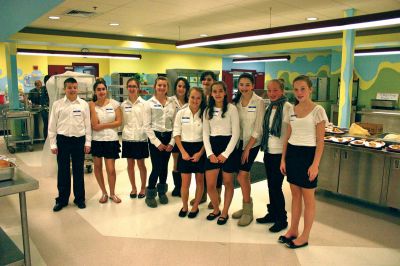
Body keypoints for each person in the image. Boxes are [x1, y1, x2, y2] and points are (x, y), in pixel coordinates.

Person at [279, 75, 328, 249]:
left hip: (308, 156)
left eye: (303, 89)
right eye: (296, 89)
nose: (299, 92)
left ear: (310, 90)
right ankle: (293, 230)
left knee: (308, 199)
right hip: (292, 154)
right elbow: (288, 135)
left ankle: (305, 236)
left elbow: (320, 141)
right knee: (295, 195)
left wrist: (315, 165)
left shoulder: (318, 110)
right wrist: (283, 159)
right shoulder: (291, 109)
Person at [48, 77, 91, 212]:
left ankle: (80, 199)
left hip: (79, 140)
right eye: (69, 87)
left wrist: (88, 142)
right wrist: (53, 144)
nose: (72, 90)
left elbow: (87, 125)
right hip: (63, 141)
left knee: (79, 171)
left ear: (77, 89)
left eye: (74, 87)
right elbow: (52, 126)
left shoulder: (84, 104)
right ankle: (62, 200)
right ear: (64, 89)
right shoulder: (58, 105)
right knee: (63, 171)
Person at [257, 79, 292, 233]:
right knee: (271, 185)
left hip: (280, 154)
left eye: (275, 90)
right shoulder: (270, 106)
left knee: (276, 187)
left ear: (282, 90)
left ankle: (282, 219)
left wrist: (284, 159)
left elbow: (288, 135)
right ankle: (272, 213)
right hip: (269, 152)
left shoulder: (287, 107)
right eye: (269, 90)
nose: (272, 93)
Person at [203, 81, 239, 225]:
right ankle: (216, 209)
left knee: (228, 182)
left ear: (225, 92)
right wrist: (209, 153)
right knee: (210, 185)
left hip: (228, 147)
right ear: (211, 94)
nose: (217, 94)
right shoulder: (207, 111)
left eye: (220, 91)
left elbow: (236, 134)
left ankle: (225, 212)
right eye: (214, 91)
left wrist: (225, 154)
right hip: (212, 147)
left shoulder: (231, 109)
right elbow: (205, 133)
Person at [231, 73, 265, 226]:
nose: (244, 88)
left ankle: (248, 211)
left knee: (242, 176)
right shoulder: (235, 102)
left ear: (252, 85)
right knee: (242, 175)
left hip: (252, 144)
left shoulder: (259, 102)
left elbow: (258, 128)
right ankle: (245, 206)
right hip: (238, 143)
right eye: (241, 84)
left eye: (247, 85)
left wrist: (247, 149)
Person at [173, 87, 207, 218]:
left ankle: (195, 206)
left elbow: (207, 136)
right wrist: (183, 152)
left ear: (202, 99)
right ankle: (185, 206)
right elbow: (176, 134)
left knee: (199, 181)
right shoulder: (181, 113)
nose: (195, 100)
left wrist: (200, 153)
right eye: (193, 97)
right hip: (184, 149)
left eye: (198, 98)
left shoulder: (205, 114)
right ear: (188, 97)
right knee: (185, 183)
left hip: (200, 149)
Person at [144, 76, 176, 208]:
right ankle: (150, 194)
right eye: (159, 85)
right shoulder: (149, 103)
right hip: (155, 138)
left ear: (167, 88)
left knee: (164, 167)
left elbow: (175, 125)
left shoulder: (172, 103)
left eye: (164, 85)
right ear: (155, 87)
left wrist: (172, 142)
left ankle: (162, 192)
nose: (162, 88)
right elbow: (147, 126)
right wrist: (157, 143)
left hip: (168, 137)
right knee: (156, 167)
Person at [89, 79, 122, 204]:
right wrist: (92, 108)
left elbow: (119, 122)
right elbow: (93, 124)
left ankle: (112, 193)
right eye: (99, 89)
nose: (101, 91)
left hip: (111, 140)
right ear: (95, 91)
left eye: (103, 89)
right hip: (97, 140)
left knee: (111, 169)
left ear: (106, 90)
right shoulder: (92, 105)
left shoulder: (114, 104)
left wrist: (102, 125)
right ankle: (104, 192)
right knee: (97, 167)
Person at [121, 78, 148, 199]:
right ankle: (133, 188)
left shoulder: (144, 104)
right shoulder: (123, 105)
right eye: (130, 86)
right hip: (127, 138)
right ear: (127, 88)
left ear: (138, 88)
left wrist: (143, 132)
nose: (132, 89)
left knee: (141, 164)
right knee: (130, 164)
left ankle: (143, 187)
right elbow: (122, 122)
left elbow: (147, 122)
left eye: (134, 86)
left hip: (140, 138)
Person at [171, 77, 189, 197]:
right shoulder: (170, 101)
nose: (181, 89)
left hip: (187, 137)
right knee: (176, 161)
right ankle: (177, 187)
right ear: (176, 87)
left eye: (183, 86)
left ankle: (184, 186)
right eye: (179, 86)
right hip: (174, 136)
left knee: (184, 163)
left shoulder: (190, 102)